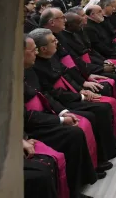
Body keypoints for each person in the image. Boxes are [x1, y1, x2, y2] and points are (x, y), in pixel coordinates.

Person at [27, 28, 116, 178]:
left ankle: (104, 153)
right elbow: (49, 93)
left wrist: (81, 87)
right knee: (92, 115)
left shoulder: (51, 57)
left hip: (63, 99)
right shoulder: (34, 67)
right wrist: (75, 101)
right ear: (43, 48)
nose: (57, 42)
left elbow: (66, 74)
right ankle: (89, 170)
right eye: (53, 41)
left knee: (102, 102)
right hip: (48, 111)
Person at [23, 36, 98, 198]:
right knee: (73, 134)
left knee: (76, 132)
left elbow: (44, 96)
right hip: (32, 125)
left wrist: (63, 113)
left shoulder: (29, 70)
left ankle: (77, 185)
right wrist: (61, 120)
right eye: (32, 50)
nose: (36, 53)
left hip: (44, 115)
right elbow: (25, 115)